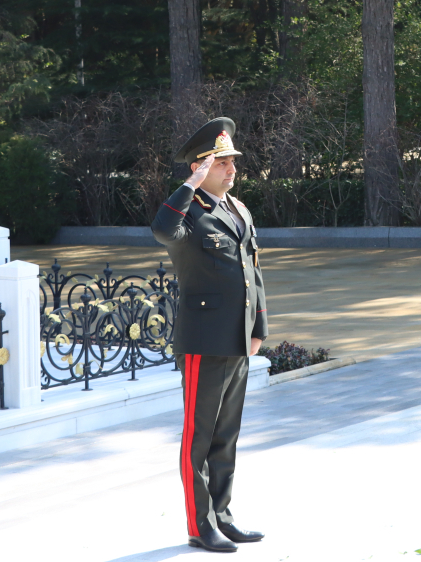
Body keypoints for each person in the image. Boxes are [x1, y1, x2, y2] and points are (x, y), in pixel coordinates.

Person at [151, 117, 268, 553]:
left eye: (232, 160)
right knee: (197, 438)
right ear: (200, 167)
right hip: (203, 341)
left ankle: (222, 516)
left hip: (237, 339)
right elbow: (163, 230)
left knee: (225, 436)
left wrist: (259, 328)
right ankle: (199, 526)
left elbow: (253, 272)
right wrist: (189, 186)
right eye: (222, 163)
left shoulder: (237, 209)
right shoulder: (188, 213)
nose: (232, 168)